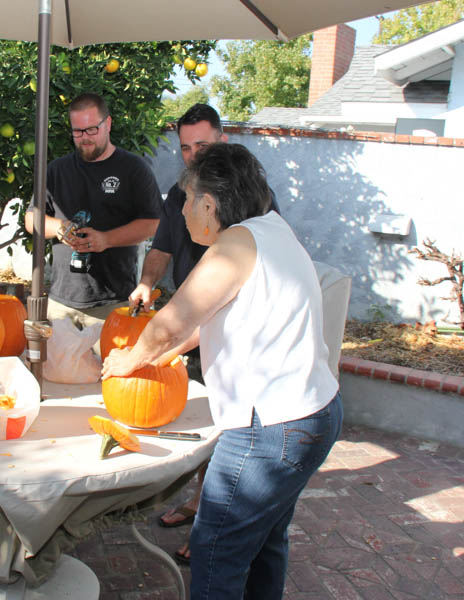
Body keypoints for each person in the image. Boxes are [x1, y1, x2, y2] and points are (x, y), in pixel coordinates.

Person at [102, 143, 342, 600]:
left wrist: (129, 360)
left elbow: (173, 320)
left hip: (270, 430)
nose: (183, 213)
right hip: (313, 414)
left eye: (186, 201)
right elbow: (203, 322)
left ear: (208, 204)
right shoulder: (272, 231)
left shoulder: (235, 245)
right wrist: (157, 355)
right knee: (266, 542)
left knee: (215, 550)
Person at [131, 105, 281, 556]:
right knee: (202, 417)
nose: (193, 156)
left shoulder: (251, 209)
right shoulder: (182, 193)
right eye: (186, 148)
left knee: (227, 425)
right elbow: (161, 246)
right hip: (198, 323)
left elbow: (214, 302)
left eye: (203, 146)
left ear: (223, 143)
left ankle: (213, 518)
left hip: (234, 342)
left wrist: (141, 351)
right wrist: (145, 283)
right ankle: (207, 504)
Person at [24, 92, 162, 329]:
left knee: (109, 366)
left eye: (91, 130)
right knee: (58, 367)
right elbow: (30, 219)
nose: (84, 138)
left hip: (113, 302)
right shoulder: (56, 170)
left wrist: (106, 239)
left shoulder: (134, 169)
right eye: (77, 131)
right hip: (61, 302)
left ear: (107, 124)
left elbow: (153, 223)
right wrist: (59, 228)